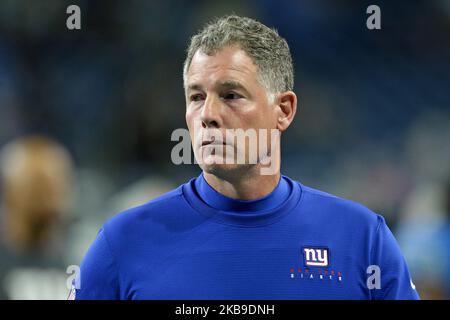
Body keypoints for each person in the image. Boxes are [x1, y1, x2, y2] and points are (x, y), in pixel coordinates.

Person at [74, 15, 419, 300]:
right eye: (196, 97)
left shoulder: (362, 240)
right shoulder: (122, 245)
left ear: (283, 110)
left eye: (231, 95)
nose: (208, 114)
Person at [0, 135, 74, 299]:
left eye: (45, 191)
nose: (39, 203)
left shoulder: (81, 261)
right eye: (31, 191)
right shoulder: (82, 261)